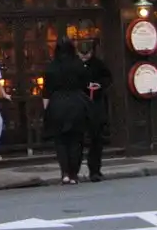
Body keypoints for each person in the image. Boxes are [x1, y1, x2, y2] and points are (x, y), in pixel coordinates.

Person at [43, 37, 91, 185]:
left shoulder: (52, 67)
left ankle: (65, 173)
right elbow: (86, 85)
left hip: (57, 103)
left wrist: (47, 111)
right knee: (76, 141)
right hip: (77, 103)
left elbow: (46, 91)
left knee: (60, 141)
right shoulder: (78, 65)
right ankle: (74, 175)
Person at [80, 41, 113, 182]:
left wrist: (99, 84)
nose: (84, 57)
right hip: (80, 104)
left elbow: (108, 78)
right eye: (82, 54)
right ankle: (72, 171)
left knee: (96, 139)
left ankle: (95, 170)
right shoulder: (75, 65)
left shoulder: (98, 64)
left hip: (96, 104)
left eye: (87, 54)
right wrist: (84, 86)